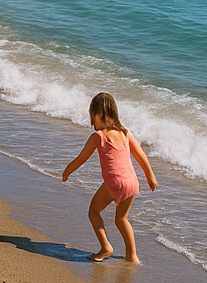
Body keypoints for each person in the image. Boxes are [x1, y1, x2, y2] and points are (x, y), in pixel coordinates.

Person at [62, 92, 157, 263]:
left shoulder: (98, 136)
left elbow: (82, 158)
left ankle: (106, 246)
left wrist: (68, 170)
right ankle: (132, 256)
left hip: (115, 181)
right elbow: (140, 155)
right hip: (132, 182)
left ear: (99, 115)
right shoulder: (125, 133)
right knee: (122, 219)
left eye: (93, 115)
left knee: (93, 211)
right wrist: (150, 176)